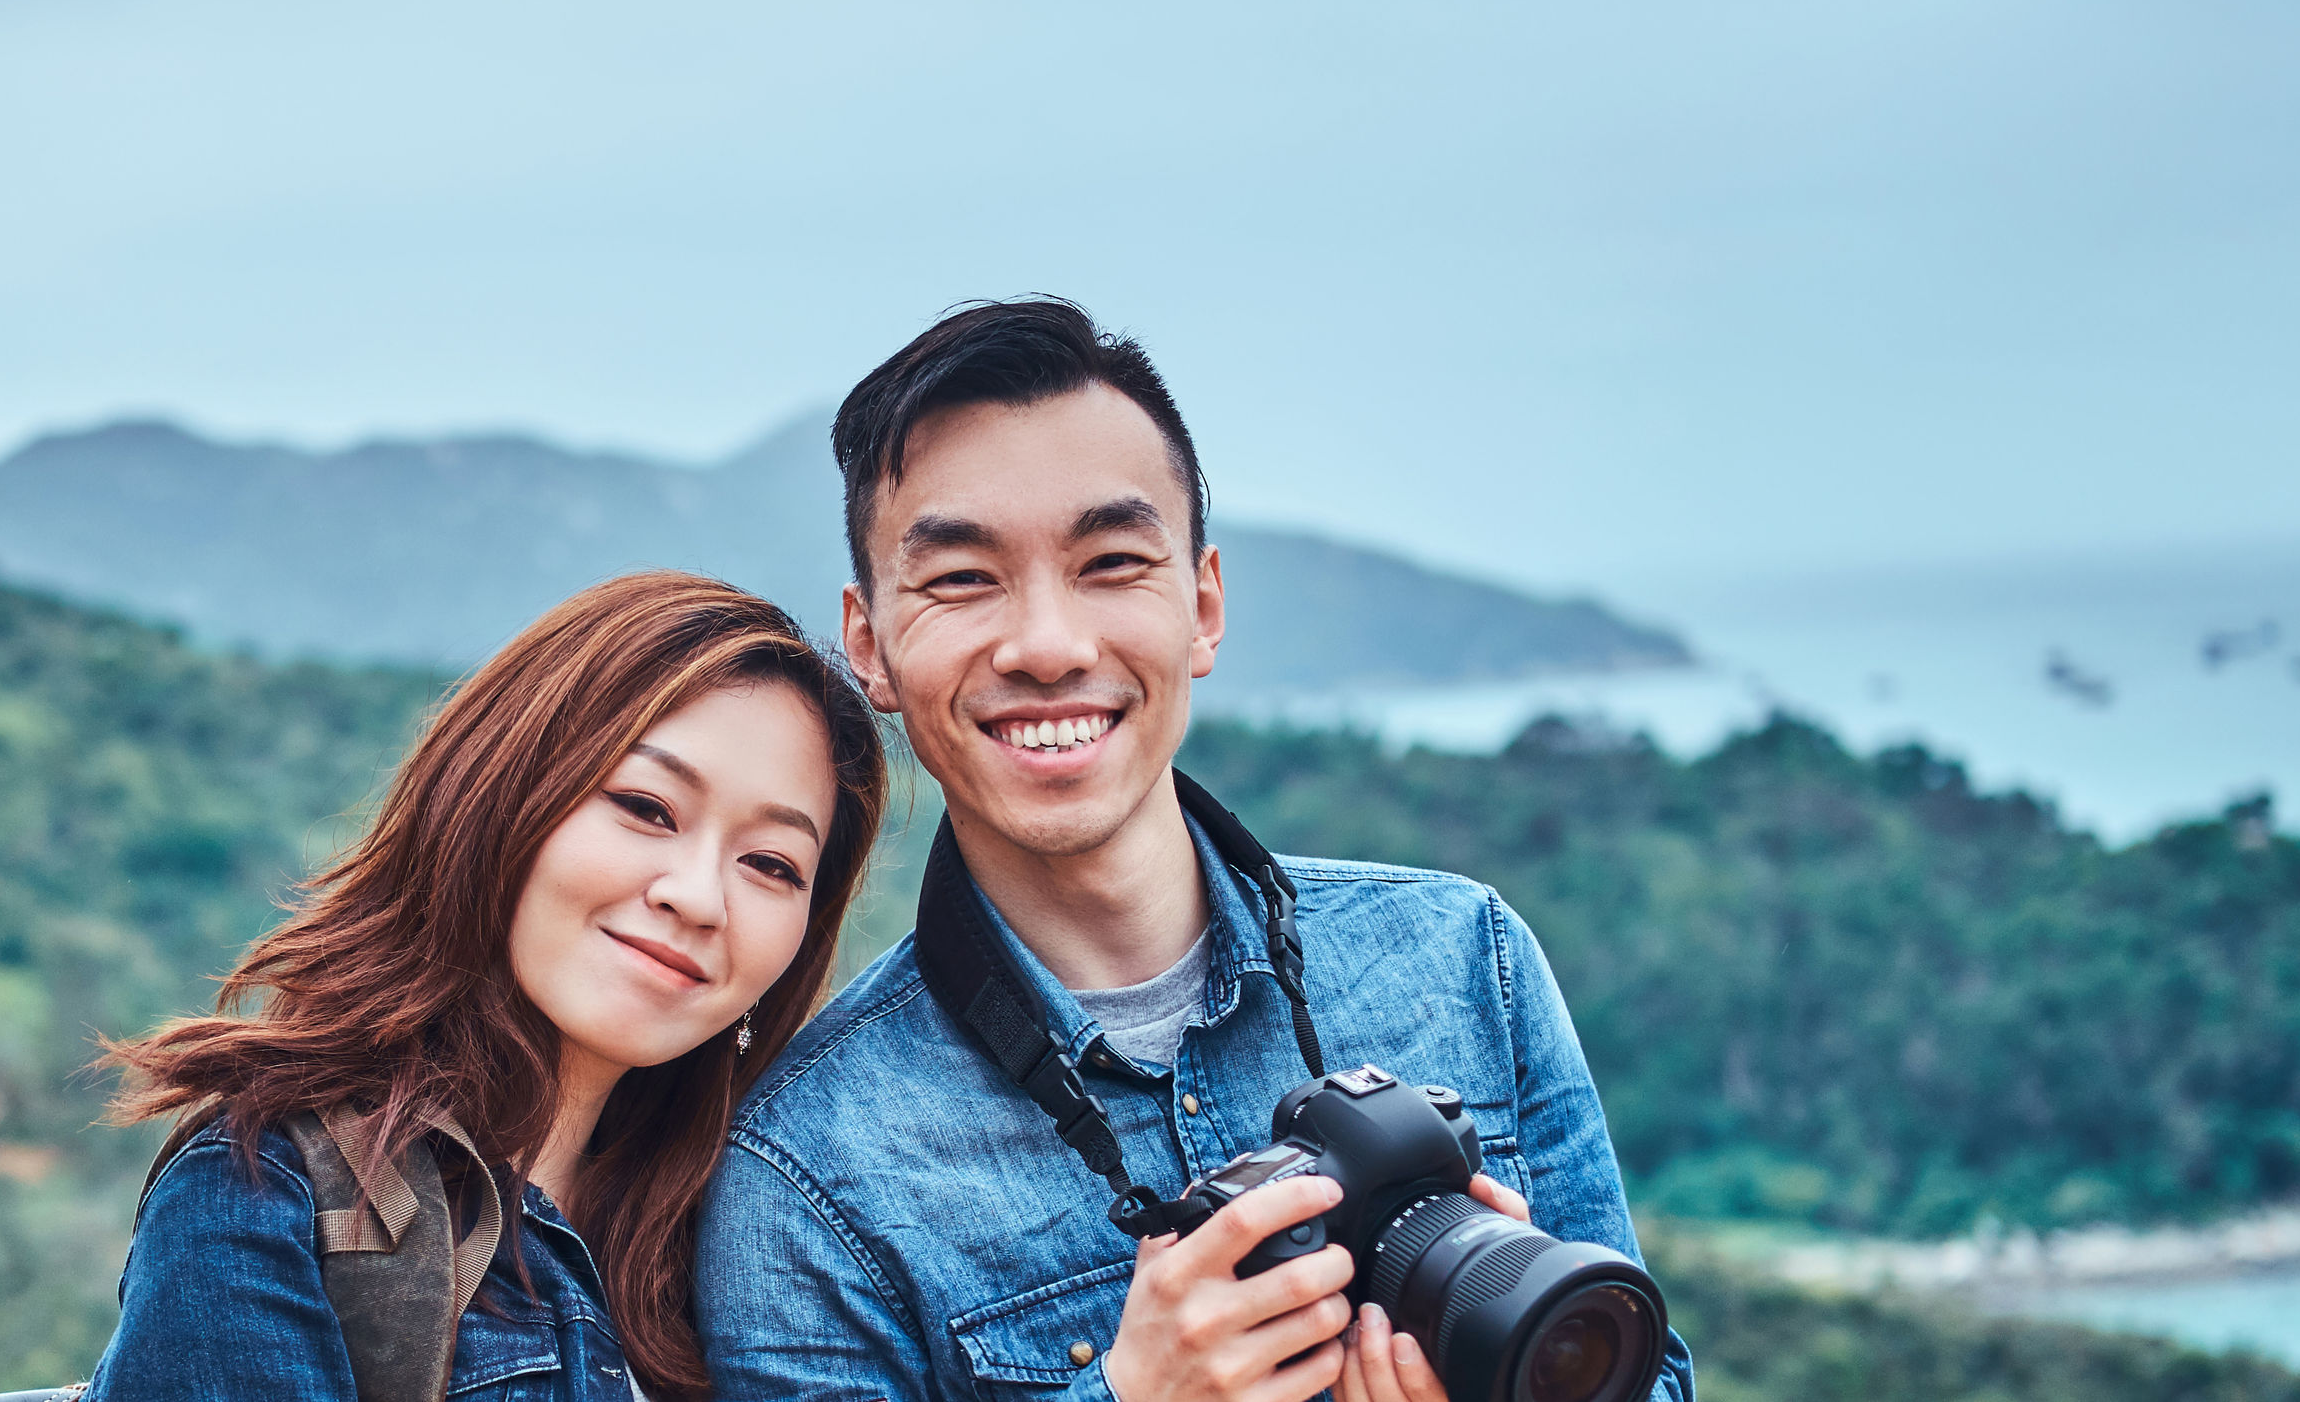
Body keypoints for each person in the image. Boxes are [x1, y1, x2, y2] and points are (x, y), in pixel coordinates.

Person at [697, 300, 1696, 1402]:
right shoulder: (808, 1172)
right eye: (962, 578)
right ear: (870, 644)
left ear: (1204, 605)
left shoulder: (1463, 958)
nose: (1047, 644)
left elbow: (1651, 1372)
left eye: (1112, 560)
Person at [81, 572, 886, 1402]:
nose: (700, 897)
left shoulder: (765, 1240)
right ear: (501, 797)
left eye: (771, 864)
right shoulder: (266, 1196)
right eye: (648, 807)